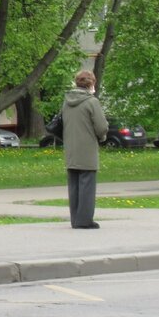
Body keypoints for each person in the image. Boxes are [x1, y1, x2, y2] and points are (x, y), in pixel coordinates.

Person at [62, 69, 108, 229]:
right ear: (91, 84)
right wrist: (102, 137)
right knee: (87, 185)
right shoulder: (91, 102)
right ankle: (85, 220)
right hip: (87, 148)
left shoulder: (66, 101)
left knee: (74, 186)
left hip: (70, 148)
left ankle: (75, 219)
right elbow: (101, 127)